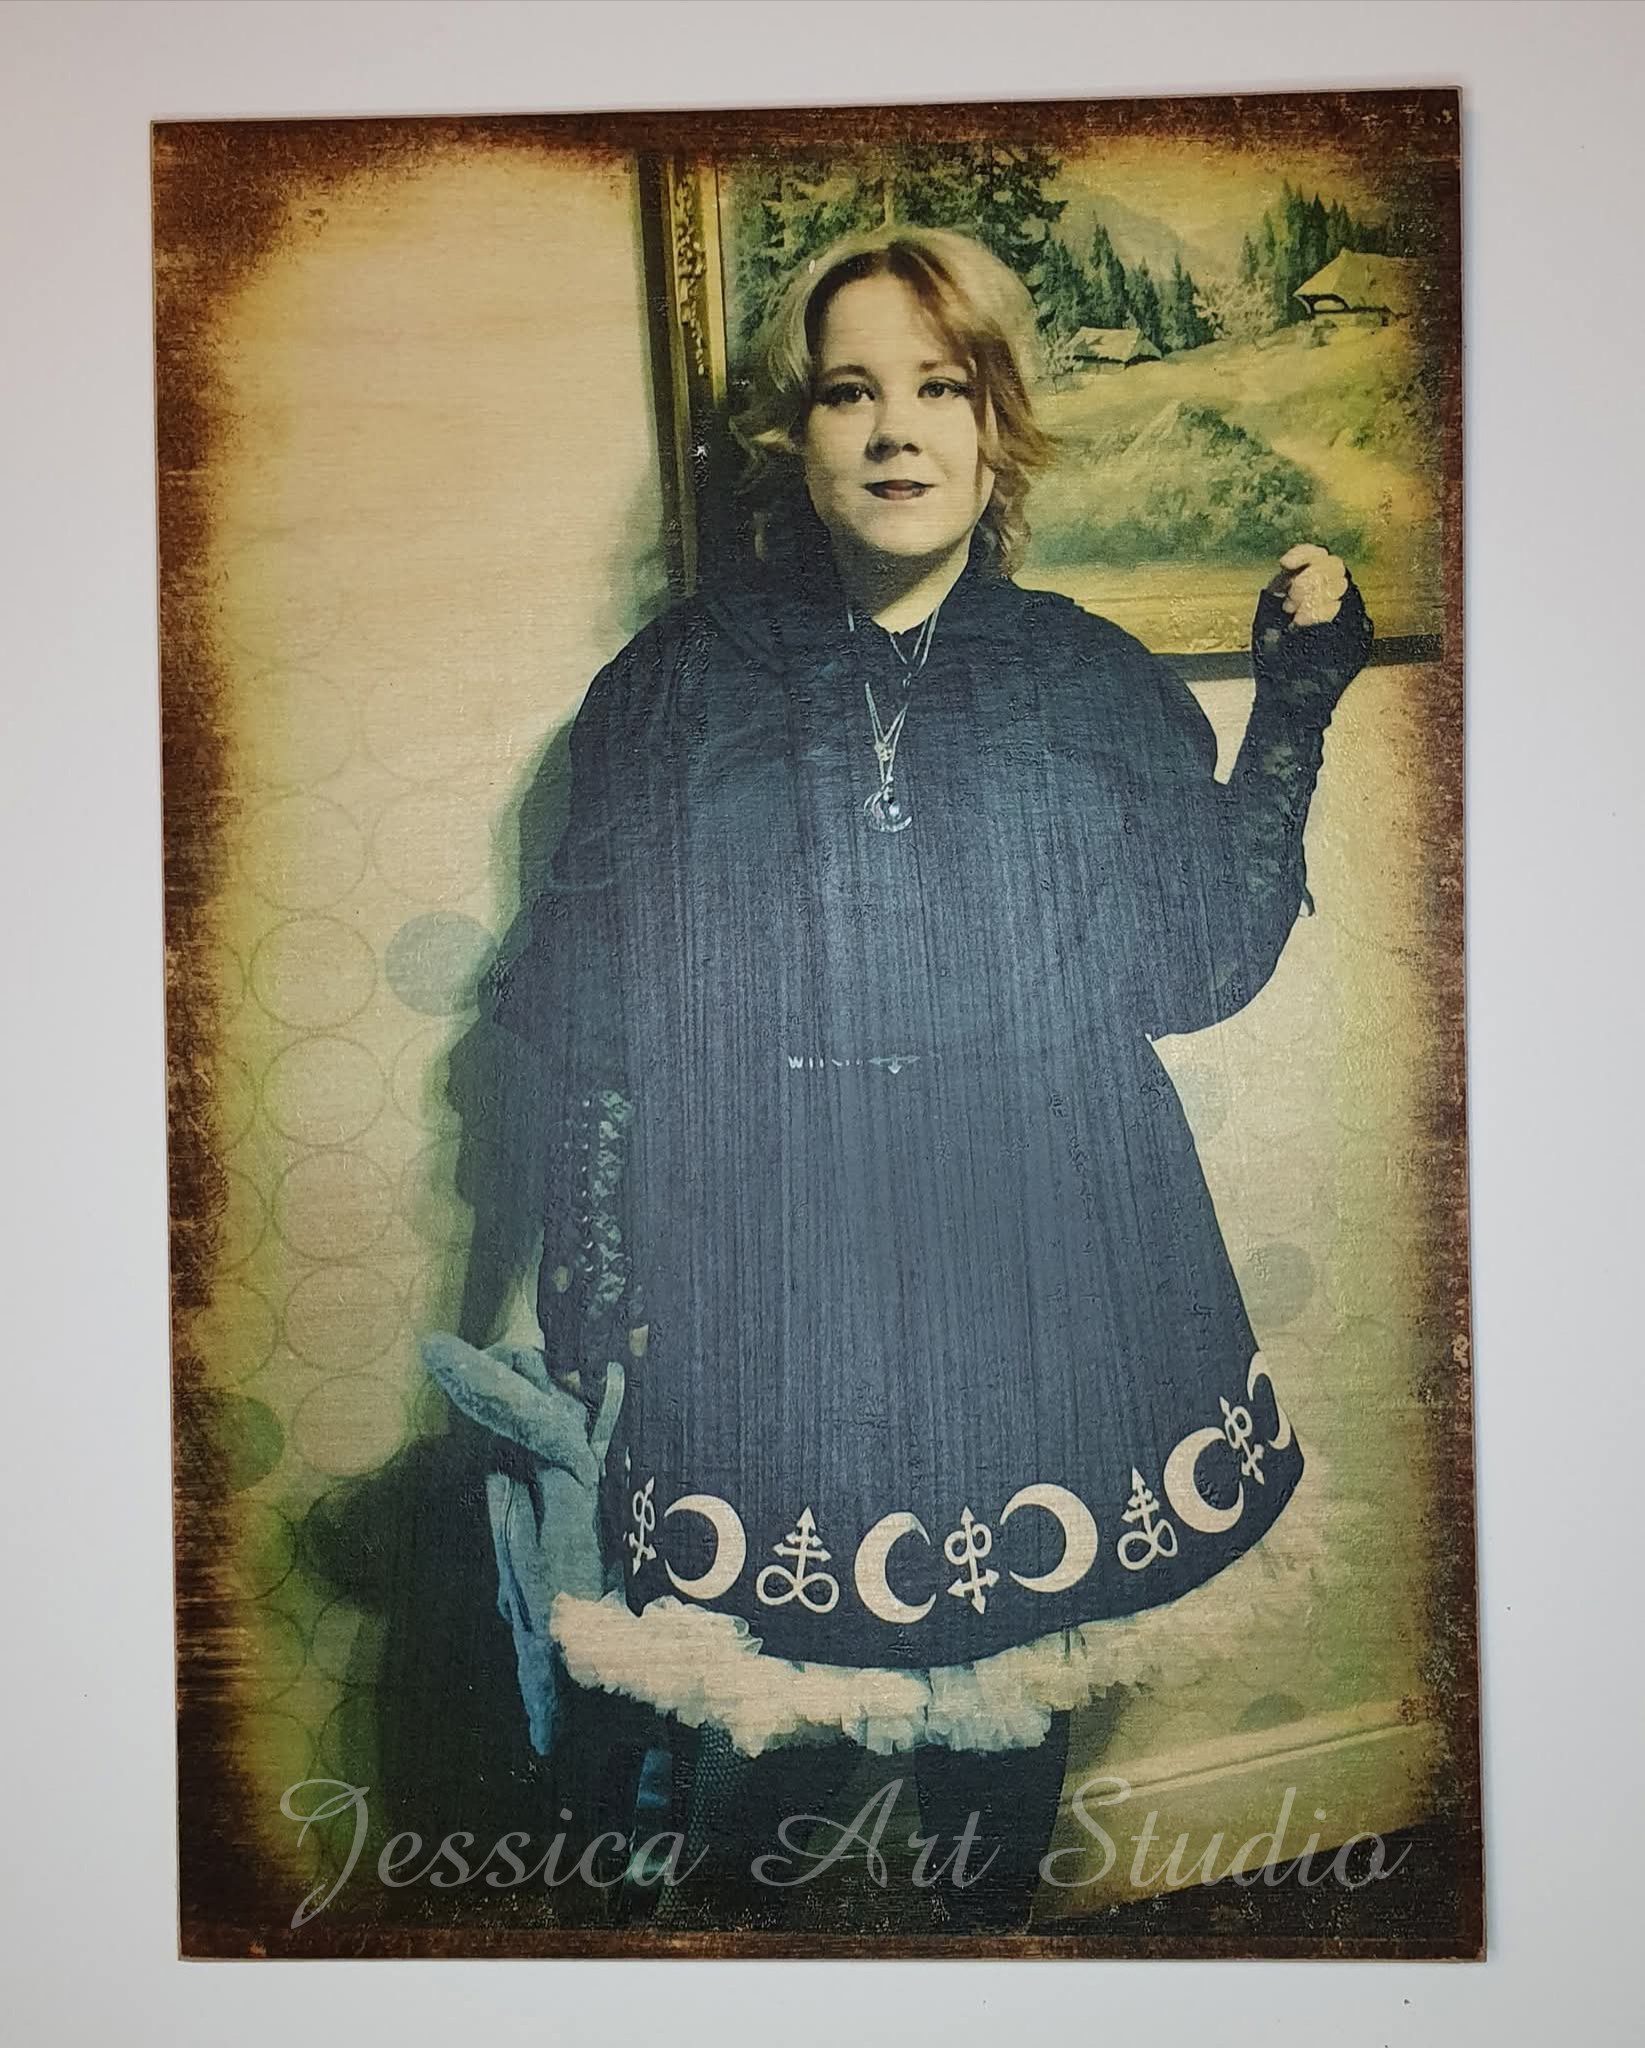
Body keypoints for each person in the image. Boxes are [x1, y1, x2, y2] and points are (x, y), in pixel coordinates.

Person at [449, 223, 1373, 1934]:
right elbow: (597, 1032)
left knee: (999, 1729)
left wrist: (1295, 703)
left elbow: (1196, 969)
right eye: (847, 392)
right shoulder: (671, 690)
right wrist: (592, 1313)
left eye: (939, 388)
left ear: (995, 421)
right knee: (754, 1744)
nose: (894, 430)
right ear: (790, 436)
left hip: (1051, 1262)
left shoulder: (1089, 678)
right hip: (766, 1274)